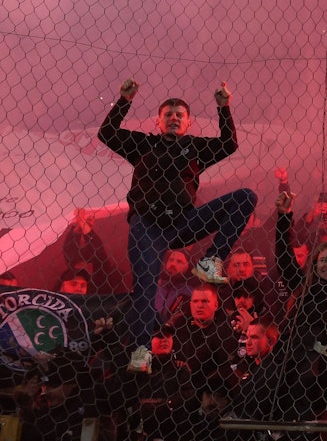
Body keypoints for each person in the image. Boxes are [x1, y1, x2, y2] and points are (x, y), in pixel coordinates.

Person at [97, 78, 257, 374]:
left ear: (188, 122)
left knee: (245, 197)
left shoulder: (195, 147)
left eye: (179, 115)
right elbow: (106, 133)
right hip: (148, 226)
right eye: (168, 114)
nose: (173, 118)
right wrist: (124, 101)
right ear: (158, 121)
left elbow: (228, 144)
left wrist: (223, 107)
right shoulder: (143, 144)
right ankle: (141, 354)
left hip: (183, 222)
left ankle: (210, 261)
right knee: (146, 287)